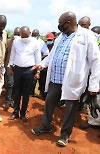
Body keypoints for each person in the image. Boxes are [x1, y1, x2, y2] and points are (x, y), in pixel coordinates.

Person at [31, 11, 100, 147]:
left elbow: (95, 61)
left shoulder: (87, 36)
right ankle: (46, 126)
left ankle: (65, 134)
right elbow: (51, 56)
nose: (59, 26)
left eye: (60, 23)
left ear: (68, 23)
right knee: (49, 101)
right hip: (56, 79)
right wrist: (42, 64)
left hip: (73, 80)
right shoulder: (60, 37)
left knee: (70, 108)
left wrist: (93, 85)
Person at [8, 26, 41, 122]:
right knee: (16, 91)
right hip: (17, 69)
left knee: (26, 93)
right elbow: (12, 54)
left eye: (26, 36)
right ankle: (15, 112)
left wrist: (38, 71)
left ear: (30, 33)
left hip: (29, 70)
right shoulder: (16, 41)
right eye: (22, 36)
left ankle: (23, 114)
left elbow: (38, 57)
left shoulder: (35, 42)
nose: (24, 38)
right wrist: (10, 67)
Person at [80, 26, 100, 129]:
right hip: (91, 74)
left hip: (97, 74)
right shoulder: (90, 43)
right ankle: (93, 122)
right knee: (93, 99)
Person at [4, 27, 20, 111]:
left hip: (18, 66)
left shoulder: (21, 42)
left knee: (15, 84)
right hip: (9, 65)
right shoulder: (9, 42)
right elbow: (5, 53)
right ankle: (8, 101)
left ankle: (13, 100)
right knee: (10, 83)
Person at [30, 29, 49, 97]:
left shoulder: (41, 43)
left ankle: (42, 94)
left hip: (40, 64)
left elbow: (46, 53)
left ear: (38, 35)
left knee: (40, 80)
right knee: (31, 80)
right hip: (30, 63)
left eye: (36, 35)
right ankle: (31, 93)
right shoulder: (29, 41)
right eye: (33, 35)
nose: (34, 37)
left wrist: (39, 58)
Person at [39, 32, 55, 100]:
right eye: (48, 40)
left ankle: (47, 95)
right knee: (42, 81)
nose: (49, 41)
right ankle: (42, 94)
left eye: (50, 40)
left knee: (48, 82)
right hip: (43, 67)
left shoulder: (55, 46)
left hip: (50, 68)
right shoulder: (43, 45)